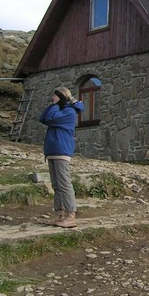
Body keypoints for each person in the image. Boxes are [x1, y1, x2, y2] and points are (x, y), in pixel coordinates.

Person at [38, 86, 84, 228]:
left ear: (62, 97)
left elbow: (50, 118)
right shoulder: (59, 110)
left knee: (64, 184)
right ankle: (59, 215)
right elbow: (43, 118)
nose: (52, 98)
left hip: (61, 151)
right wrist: (55, 105)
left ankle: (71, 216)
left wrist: (56, 105)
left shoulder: (69, 112)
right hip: (52, 151)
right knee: (56, 185)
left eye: (55, 96)